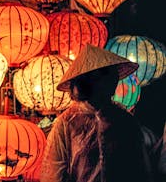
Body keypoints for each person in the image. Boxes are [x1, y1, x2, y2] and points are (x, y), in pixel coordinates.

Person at [40, 44, 155, 182]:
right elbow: (54, 174)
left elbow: (139, 168)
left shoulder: (124, 120)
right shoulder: (66, 123)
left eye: (113, 78)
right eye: (106, 78)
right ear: (88, 83)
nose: (114, 83)